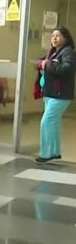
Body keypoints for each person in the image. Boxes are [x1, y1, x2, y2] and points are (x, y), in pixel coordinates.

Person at [35, 26, 76, 163]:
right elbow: (43, 63)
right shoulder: (53, 52)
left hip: (60, 95)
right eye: (53, 36)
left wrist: (47, 65)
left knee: (46, 122)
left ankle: (46, 154)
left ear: (65, 38)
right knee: (53, 123)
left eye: (57, 36)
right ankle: (55, 152)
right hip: (51, 93)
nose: (54, 38)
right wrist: (41, 63)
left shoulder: (68, 52)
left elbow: (66, 70)